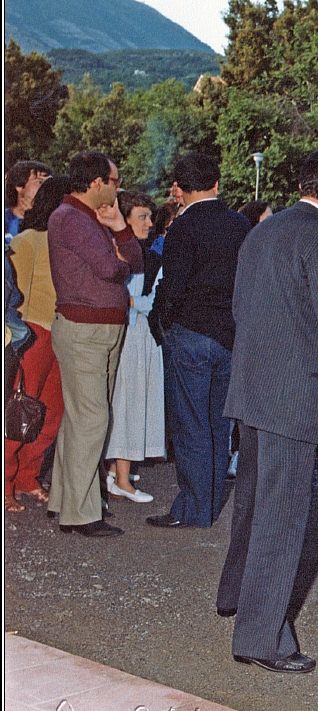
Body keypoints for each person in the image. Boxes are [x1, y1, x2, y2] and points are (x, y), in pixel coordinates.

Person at [216, 148, 318, 673]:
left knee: (253, 503)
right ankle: (262, 640)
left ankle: (235, 597)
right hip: (294, 397)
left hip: (255, 387)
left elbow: (243, 307)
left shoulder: (262, 230)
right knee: (282, 517)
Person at [148, 153, 251, 528]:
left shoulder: (182, 227)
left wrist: (161, 323)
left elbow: (171, 285)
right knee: (217, 425)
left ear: (179, 188)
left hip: (190, 332)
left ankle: (194, 509)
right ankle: (206, 505)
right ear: (217, 184)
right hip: (229, 336)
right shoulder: (240, 224)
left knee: (190, 425)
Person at [47, 152, 142, 538]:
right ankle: (81, 514)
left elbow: (135, 261)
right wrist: (118, 258)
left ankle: (64, 501)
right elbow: (111, 269)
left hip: (101, 327)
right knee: (92, 419)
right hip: (83, 328)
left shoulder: (93, 218)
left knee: (80, 419)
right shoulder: (70, 218)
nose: (118, 187)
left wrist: (120, 228)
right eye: (115, 181)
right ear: (95, 182)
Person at [5, 175, 70, 512]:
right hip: (34, 334)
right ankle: (6, 478)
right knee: (21, 411)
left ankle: (28, 475)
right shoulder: (29, 239)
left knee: (52, 415)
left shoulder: (71, 241)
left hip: (63, 337)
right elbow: (14, 297)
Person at [103, 192, 166, 504]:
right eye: (142, 216)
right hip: (124, 334)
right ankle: (121, 478)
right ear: (124, 219)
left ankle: (119, 470)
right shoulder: (116, 252)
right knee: (123, 404)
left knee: (129, 403)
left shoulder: (149, 257)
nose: (150, 223)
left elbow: (152, 302)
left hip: (138, 334)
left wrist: (126, 301)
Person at [5, 161, 52, 243]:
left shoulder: (55, 221)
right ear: (19, 186)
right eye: (39, 182)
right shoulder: (6, 221)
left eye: (50, 183)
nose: (47, 187)